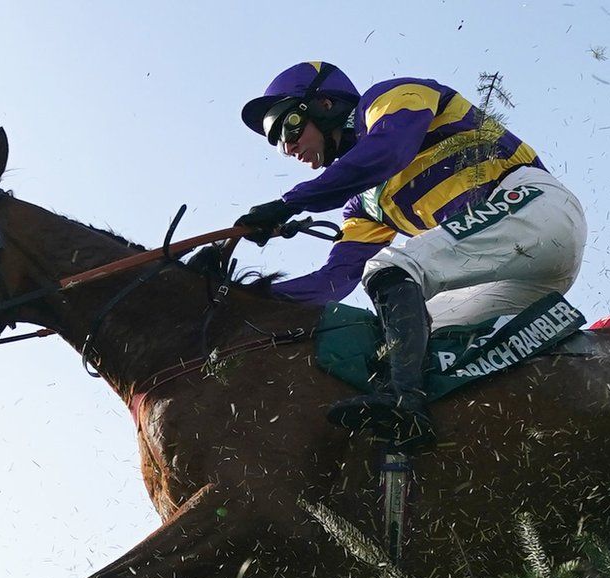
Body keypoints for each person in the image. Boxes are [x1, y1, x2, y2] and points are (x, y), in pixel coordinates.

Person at [234, 61, 586, 451]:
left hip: (534, 206)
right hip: (513, 274)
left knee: (388, 267)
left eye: (286, 128)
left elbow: (387, 152)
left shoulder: (389, 98)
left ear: (324, 103)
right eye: (277, 141)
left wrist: (289, 203)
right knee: (397, 345)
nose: (287, 148)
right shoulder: (364, 204)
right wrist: (247, 303)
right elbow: (334, 281)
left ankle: (405, 407)